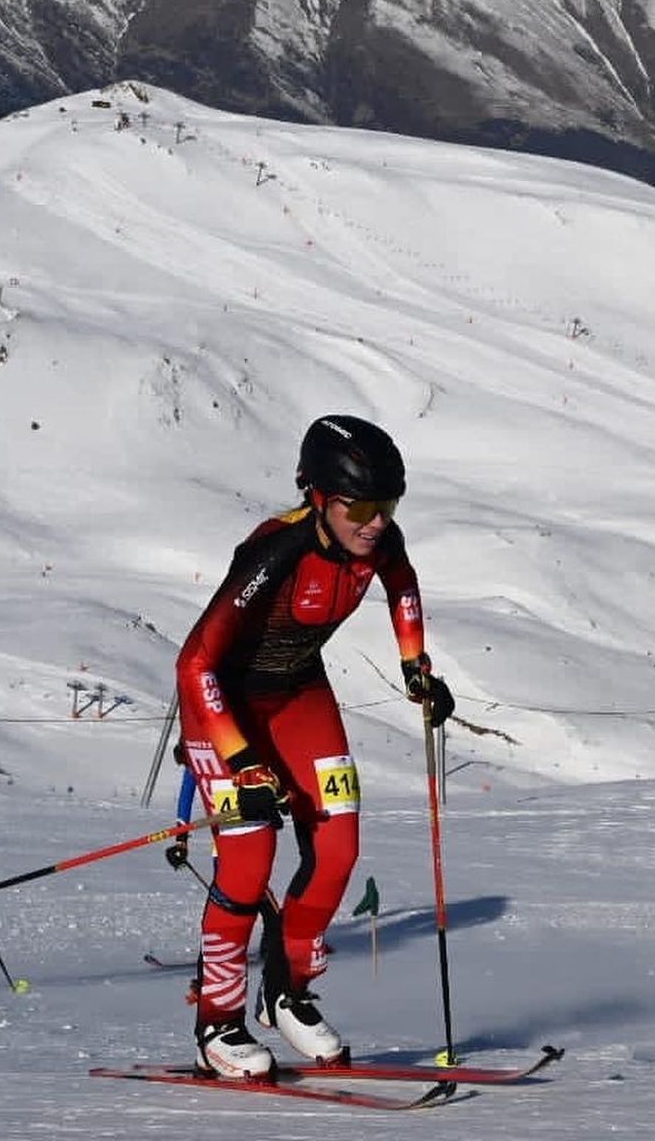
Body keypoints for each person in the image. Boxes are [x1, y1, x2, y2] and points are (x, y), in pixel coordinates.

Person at [175, 414, 455, 1078]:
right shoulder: (277, 552)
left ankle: (287, 991)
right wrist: (241, 762)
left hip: (300, 693)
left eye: (386, 506)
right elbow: (195, 662)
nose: (376, 522)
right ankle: (217, 1021)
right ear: (320, 499)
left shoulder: (378, 541)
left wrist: (416, 665)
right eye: (360, 507)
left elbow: (403, 583)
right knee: (249, 859)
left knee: (338, 845)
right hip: (225, 705)